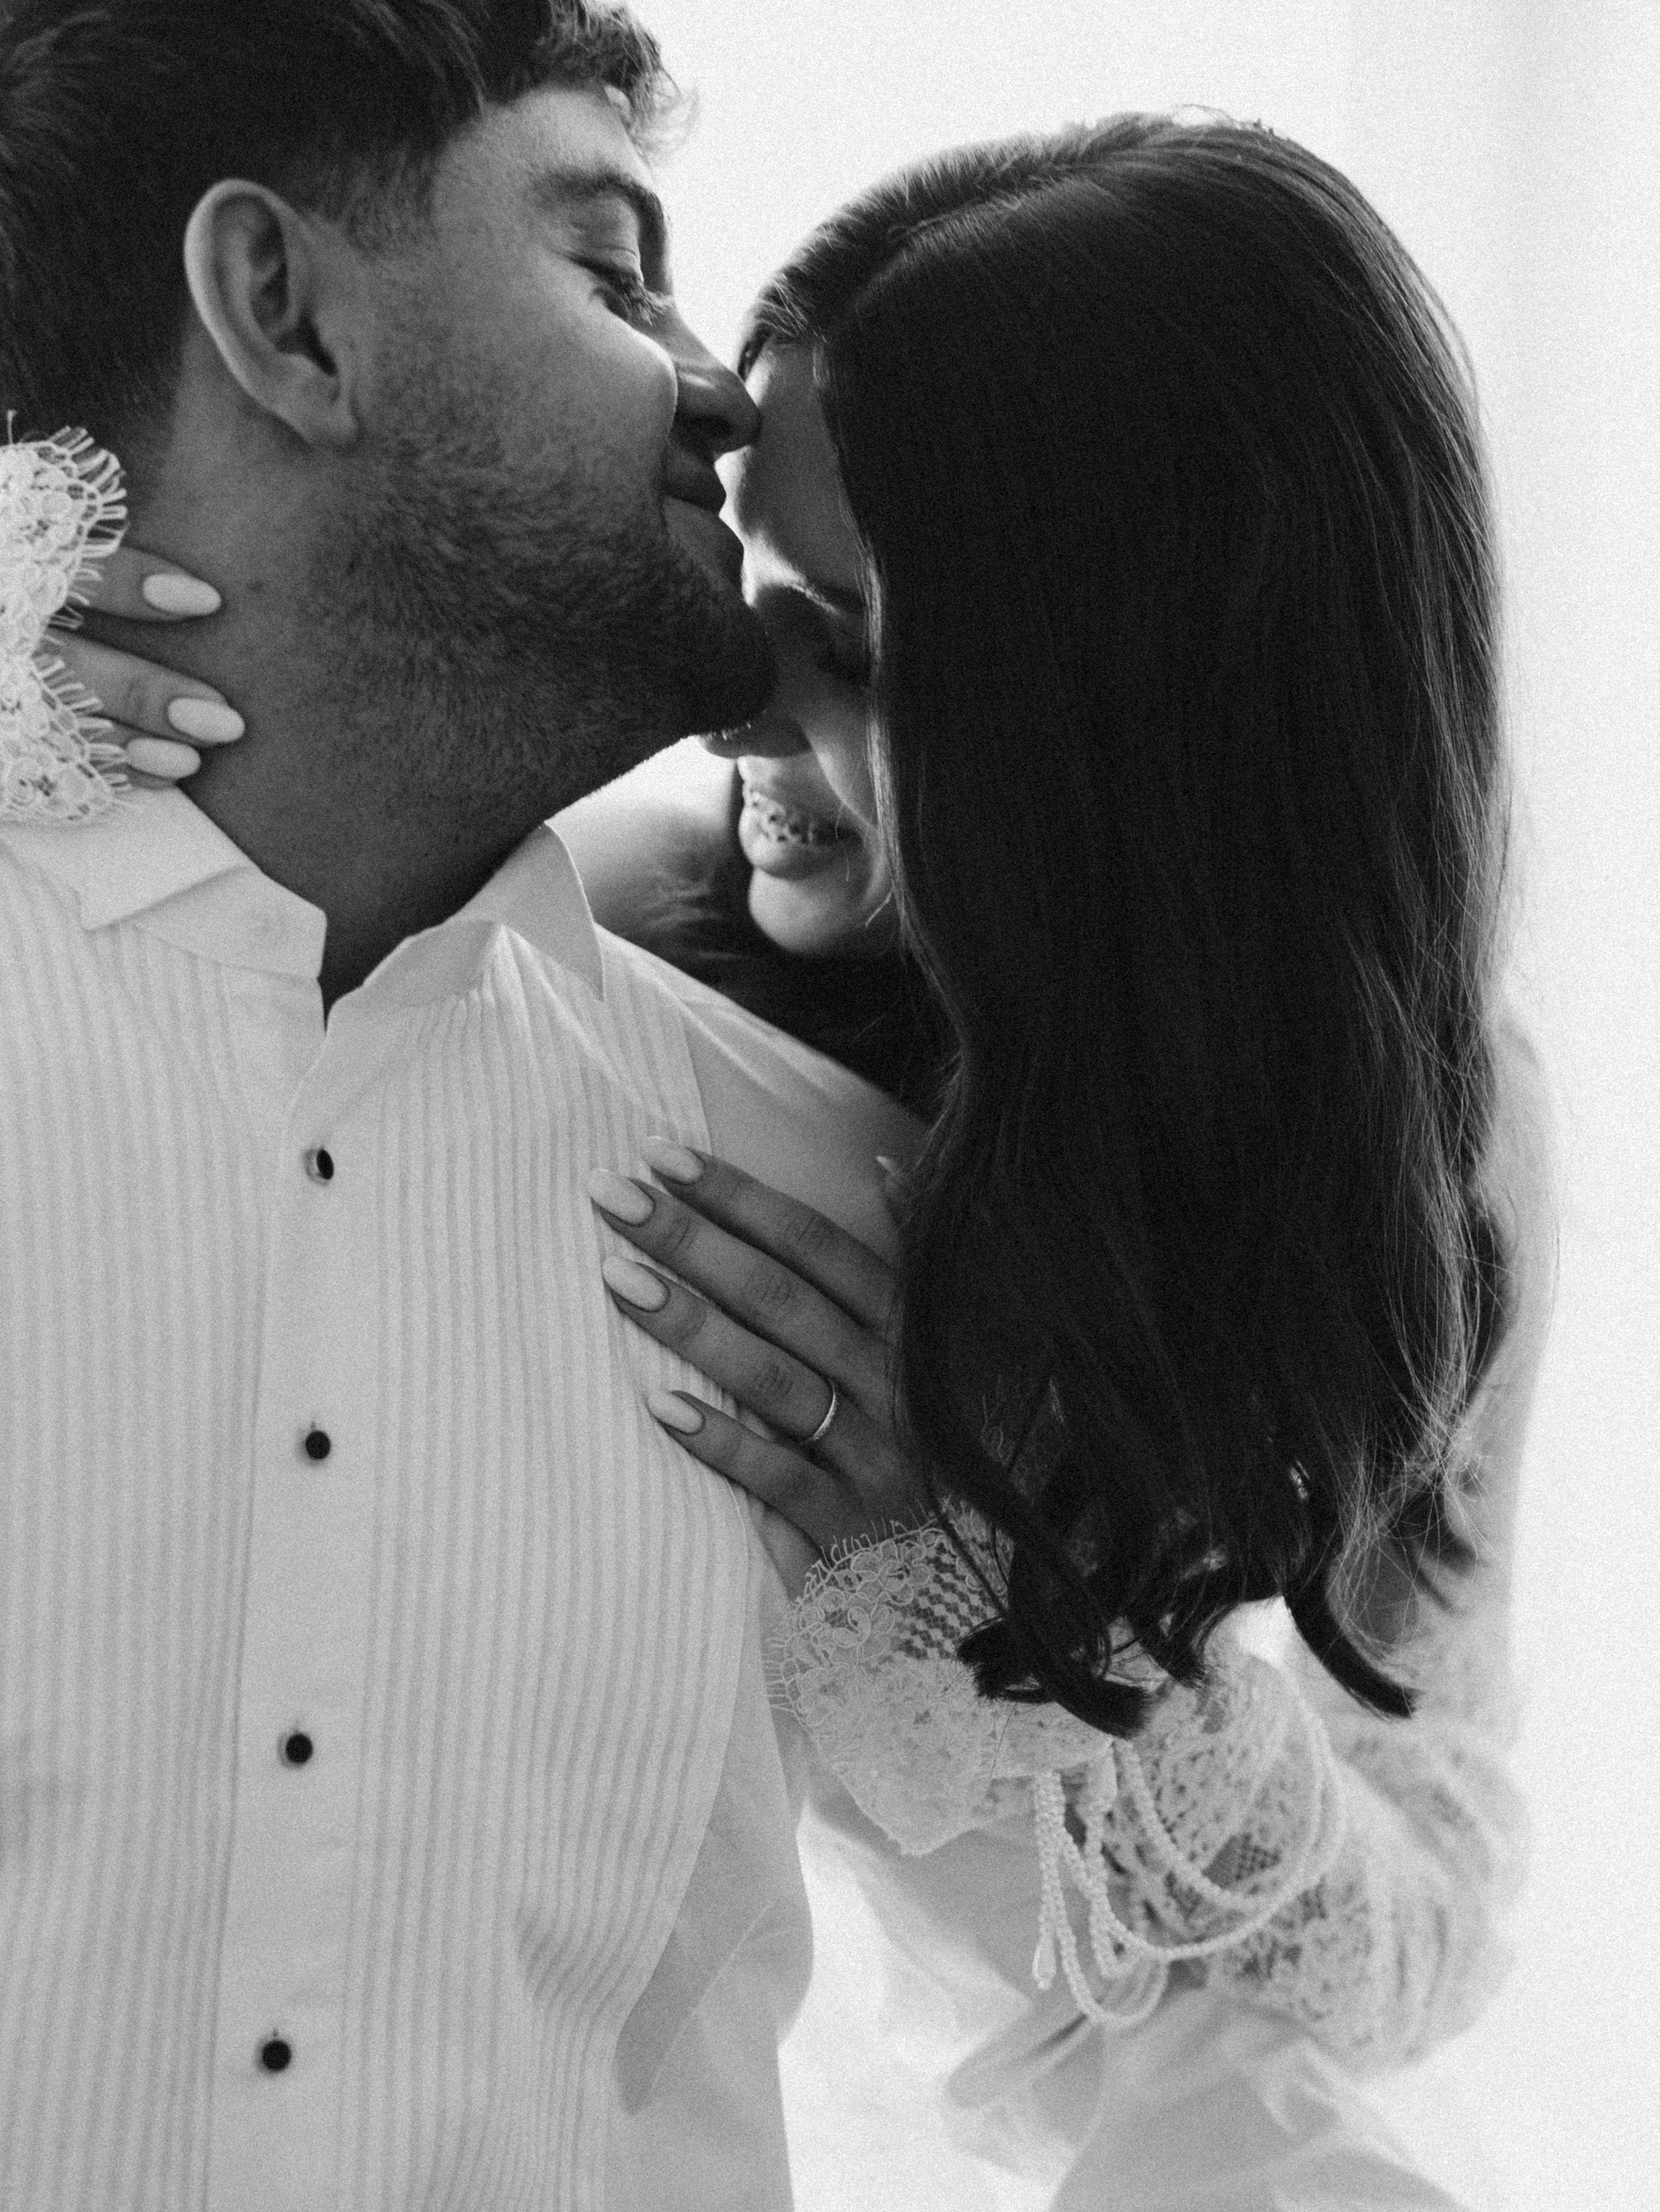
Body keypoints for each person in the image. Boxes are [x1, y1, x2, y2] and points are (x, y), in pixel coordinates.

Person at [29, 92, 1545, 2212]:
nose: (734, 695)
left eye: (857, 646)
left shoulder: (1412, 1144)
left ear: (1129, 714)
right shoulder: (612, 943)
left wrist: (1007, 1617)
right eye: (754, 585)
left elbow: (1432, 1908)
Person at [0, 6, 921, 2209]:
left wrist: (979, 1580)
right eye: (613, 270)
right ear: (285, 310)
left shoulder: (814, 1249)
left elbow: (1179, 2018)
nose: (717, 388)